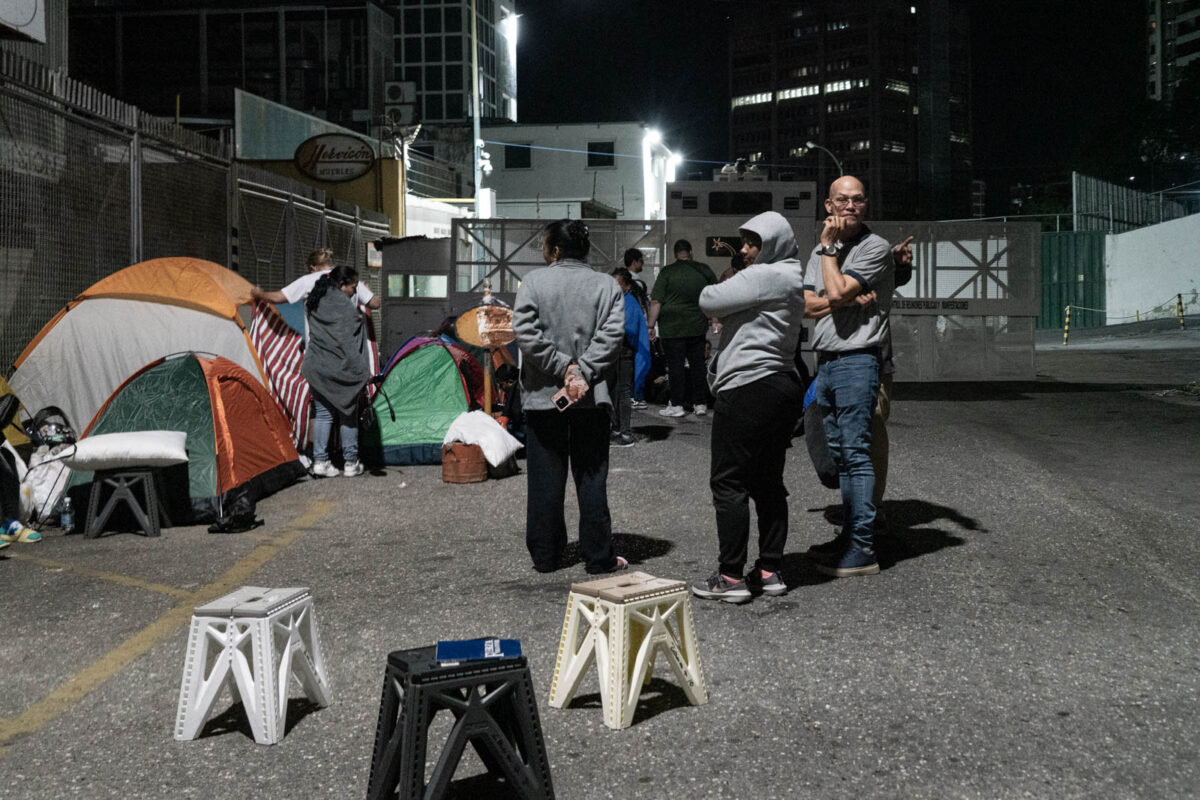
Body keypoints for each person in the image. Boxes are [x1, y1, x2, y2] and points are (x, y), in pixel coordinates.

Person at [690, 212, 806, 604]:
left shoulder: (764, 275)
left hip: (748, 386)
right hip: (783, 386)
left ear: (772, 244)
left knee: (729, 482)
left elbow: (708, 299)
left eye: (752, 243)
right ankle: (770, 570)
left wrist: (733, 299)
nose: (744, 250)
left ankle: (731, 577)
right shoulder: (792, 274)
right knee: (768, 482)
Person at [513, 220, 627, 574]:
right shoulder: (606, 285)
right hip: (591, 398)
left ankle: (546, 557)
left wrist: (563, 368)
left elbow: (525, 334)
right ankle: (598, 556)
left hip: (542, 398)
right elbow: (612, 336)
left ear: (556, 250)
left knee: (545, 478)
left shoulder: (533, 282)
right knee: (591, 476)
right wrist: (583, 373)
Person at [803, 176, 895, 578]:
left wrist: (830, 261)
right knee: (840, 455)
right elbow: (808, 305)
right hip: (826, 360)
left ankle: (862, 546)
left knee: (856, 453)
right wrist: (838, 295)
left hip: (858, 358)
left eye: (858, 200)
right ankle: (849, 537)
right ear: (829, 205)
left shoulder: (875, 248)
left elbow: (835, 293)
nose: (850, 206)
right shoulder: (820, 250)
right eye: (842, 200)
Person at [301, 265, 371, 478]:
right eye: (353, 286)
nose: (355, 291)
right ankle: (351, 462)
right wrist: (362, 370)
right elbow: (348, 343)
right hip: (340, 368)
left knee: (324, 413)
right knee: (347, 411)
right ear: (342, 285)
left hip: (316, 366)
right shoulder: (344, 307)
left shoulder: (315, 299)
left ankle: (320, 462)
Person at [647, 239, 717, 417]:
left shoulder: (667, 272)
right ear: (691, 251)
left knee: (676, 366)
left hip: (672, 328)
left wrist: (651, 325)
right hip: (697, 326)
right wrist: (714, 318)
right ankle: (700, 403)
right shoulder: (704, 270)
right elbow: (715, 296)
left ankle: (677, 405)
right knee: (697, 366)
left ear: (675, 253)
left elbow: (656, 302)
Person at [251, 247, 380, 311]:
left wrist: (259, 293)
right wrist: (368, 292)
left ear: (313, 267)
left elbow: (277, 298)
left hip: (320, 351)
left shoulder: (309, 280)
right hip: (347, 347)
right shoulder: (349, 277)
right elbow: (374, 303)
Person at [609, 268, 651, 448]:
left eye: (616, 284)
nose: (613, 287)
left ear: (625, 286)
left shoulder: (629, 302)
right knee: (615, 392)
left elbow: (630, 329)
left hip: (623, 351)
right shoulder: (623, 301)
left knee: (623, 392)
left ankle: (624, 432)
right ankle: (617, 429)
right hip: (616, 351)